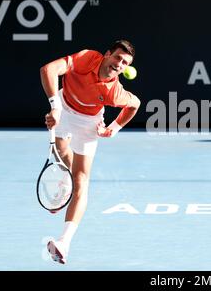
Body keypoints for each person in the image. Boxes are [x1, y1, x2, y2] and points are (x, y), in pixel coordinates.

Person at [40, 39, 141, 264]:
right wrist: (55, 108)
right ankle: (65, 182)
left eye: (125, 63)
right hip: (63, 107)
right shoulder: (87, 58)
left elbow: (135, 104)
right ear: (107, 54)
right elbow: (49, 69)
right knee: (62, 153)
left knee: (82, 180)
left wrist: (113, 128)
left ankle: (63, 242)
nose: (119, 64)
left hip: (88, 124)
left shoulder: (114, 92)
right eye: (117, 57)